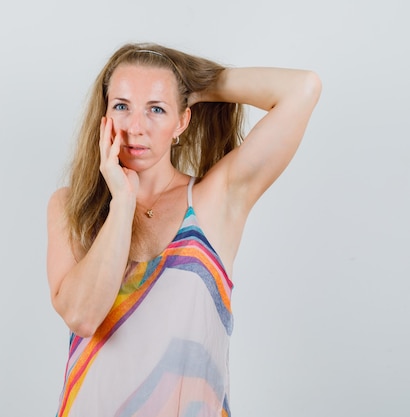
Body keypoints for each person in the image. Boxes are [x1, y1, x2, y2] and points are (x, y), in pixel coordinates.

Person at [46, 42, 321, 417]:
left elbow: (303, 88)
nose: (135, 127)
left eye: (157, 109)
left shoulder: (214, 200)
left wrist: (196, 84)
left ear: (182, 121)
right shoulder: (70, 207)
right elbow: (82, 315)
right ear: (104, 114)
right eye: (122, 106)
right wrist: (122, 202)